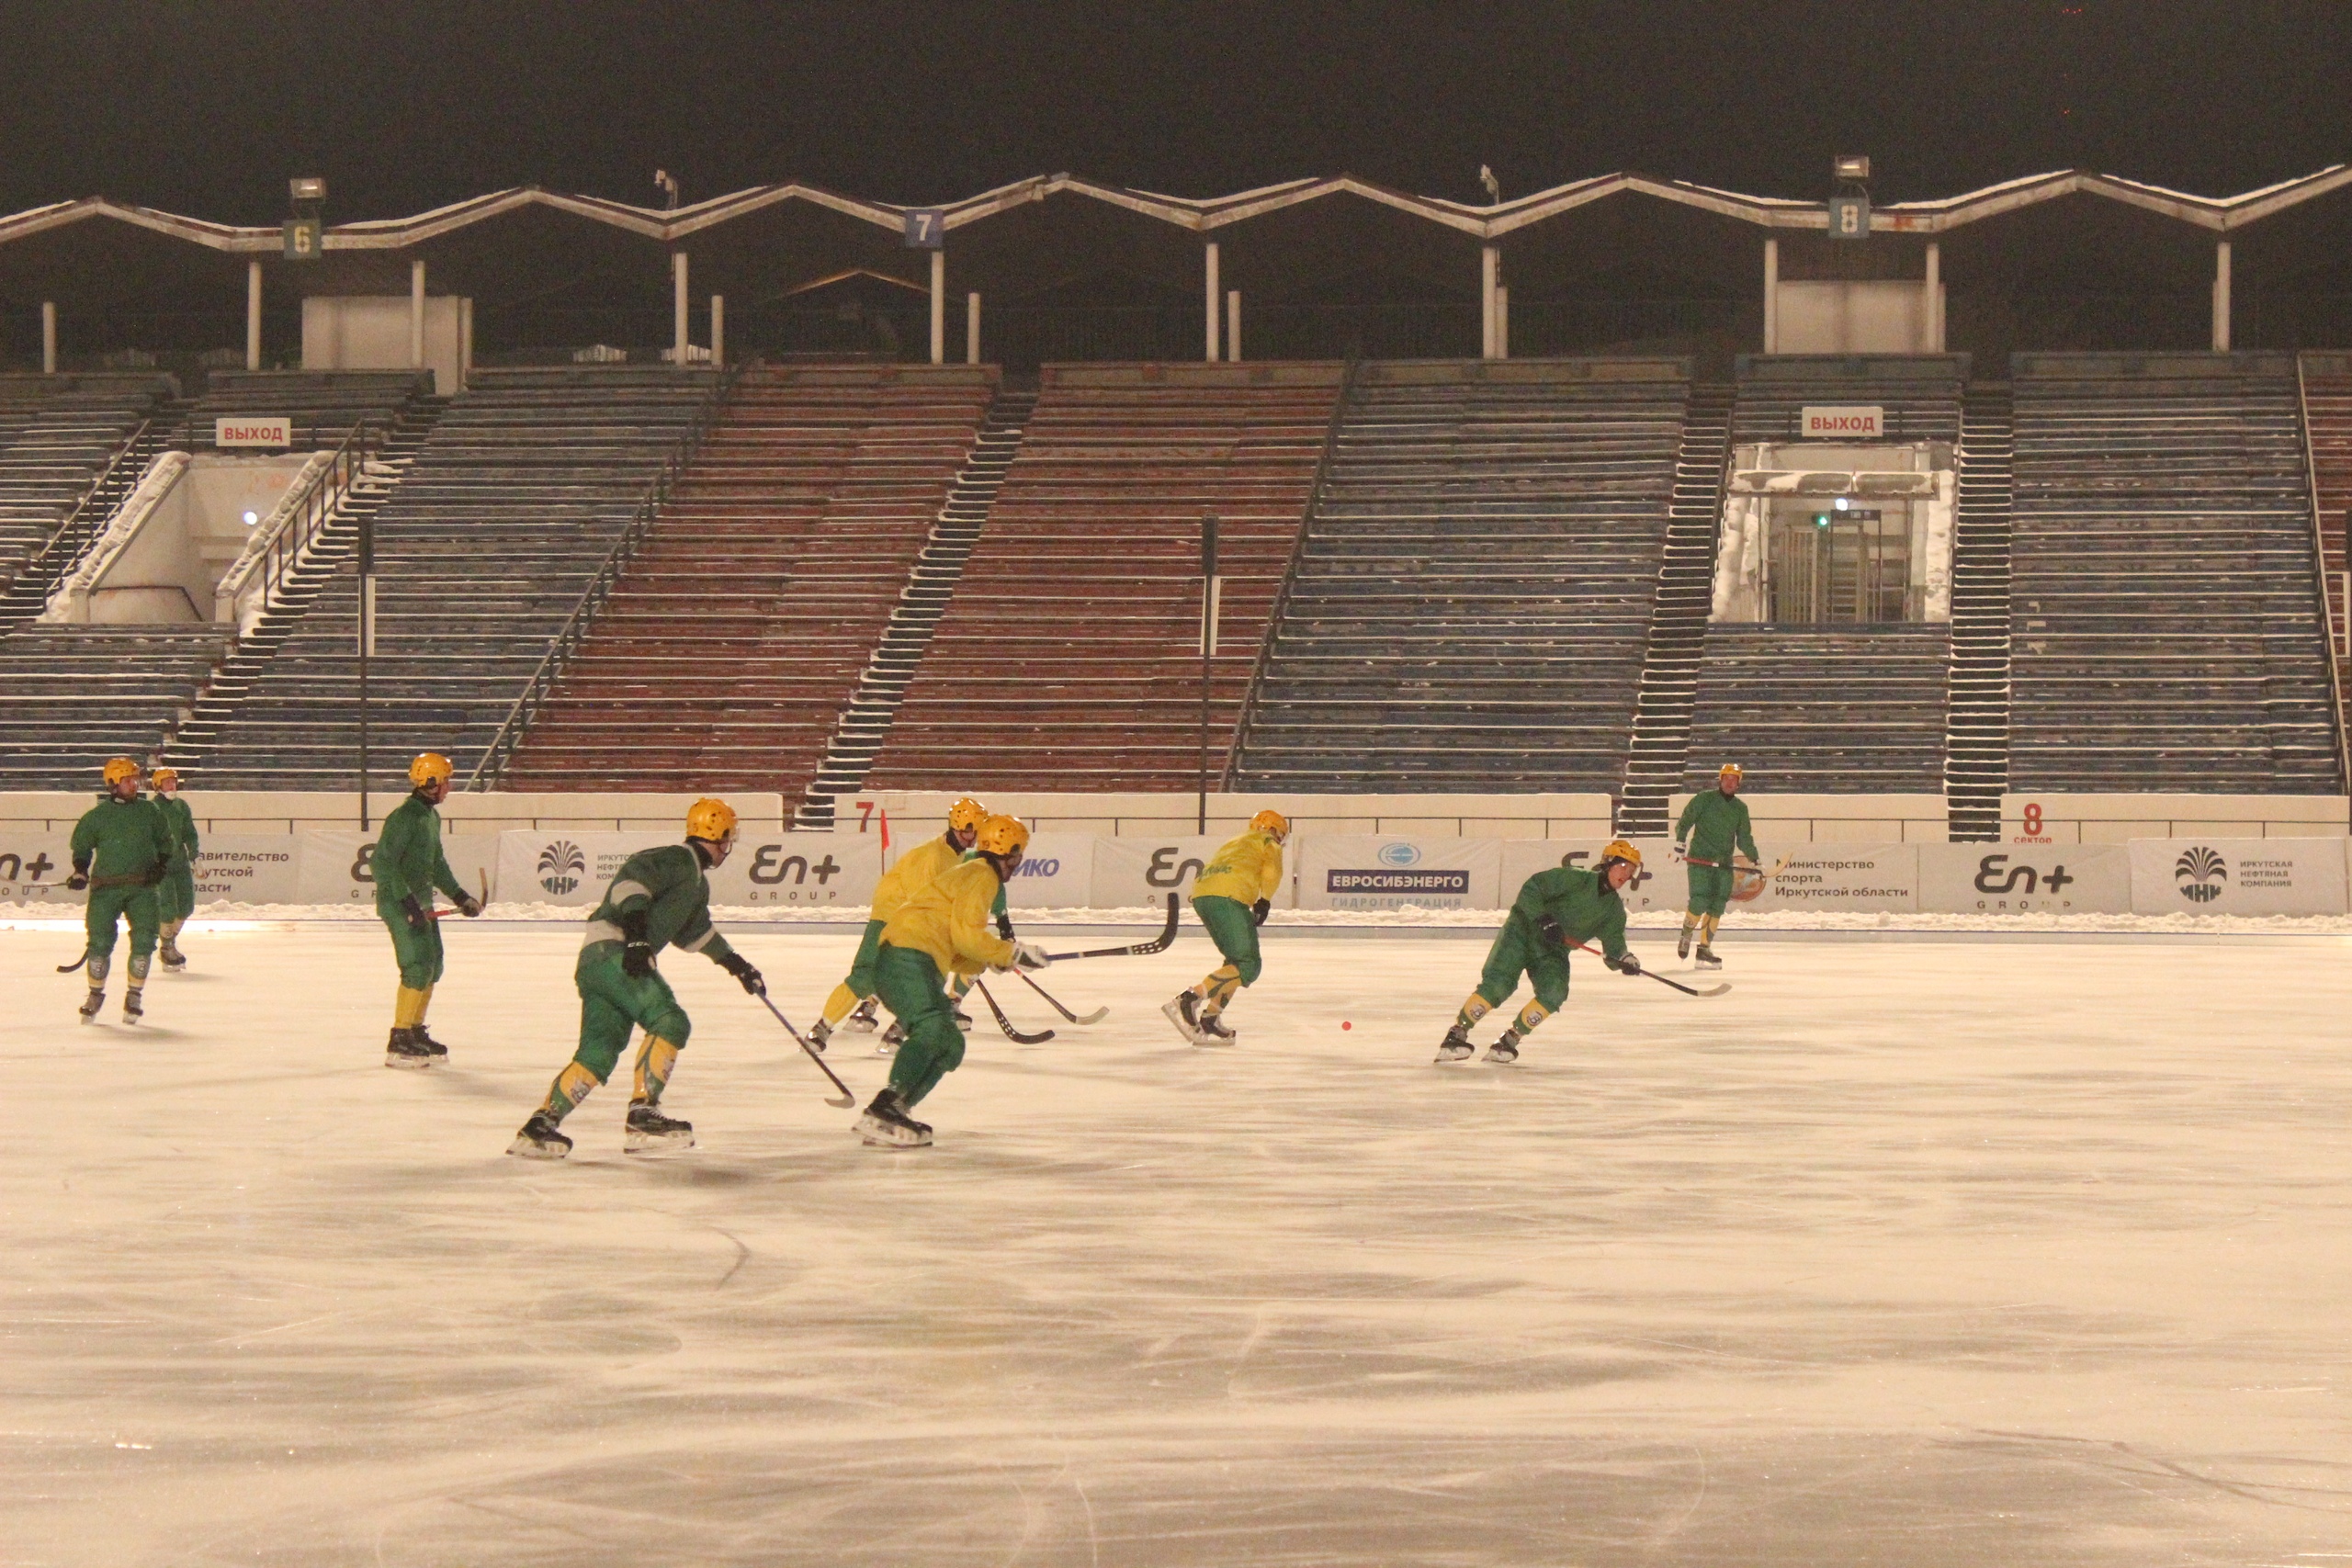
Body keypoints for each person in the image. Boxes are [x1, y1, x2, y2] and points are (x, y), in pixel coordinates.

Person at [510, 797, 766, 1160]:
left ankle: (539, 1127)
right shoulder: (677, 859)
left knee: (598, 1051)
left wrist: (737, 964)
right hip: (615, 954)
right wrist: (637, 938)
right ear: (717, 834)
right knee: (669, 1020)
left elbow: (696, 934)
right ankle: (643, 1115)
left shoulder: (696, 883)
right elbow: (630, 886)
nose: (729, 845)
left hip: (597, 963)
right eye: (728, 837)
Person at [857, 813, 1049, 1148]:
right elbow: (966, 936)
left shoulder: (971, 871)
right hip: (906, 958)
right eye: (1019, 854)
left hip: (910, 959)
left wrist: (990, 958)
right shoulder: (983, 875)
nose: (1020, 861)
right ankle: (884, 1107)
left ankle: (895, 1110)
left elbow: (954, 943)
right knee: (933, 1028)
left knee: (950, 1041)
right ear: (1011, 850)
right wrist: (1010, 952)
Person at [809, 796, 990, 1055]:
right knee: (867, 977)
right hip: (891, 916)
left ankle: (896, 1031)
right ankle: (820, 1031)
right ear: (959, 827)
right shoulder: (933, 857)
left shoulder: (956, 855)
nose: (975, 836)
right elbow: (924, 904)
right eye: (973, 830)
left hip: (909, 917)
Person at [1436, 840, 1645, 1065]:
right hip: (1522, 932)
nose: (1626, 875)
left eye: (1631, 871)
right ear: (1608, 863)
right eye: (1623, 867)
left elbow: (1614, 945)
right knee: (1499, 984)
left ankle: (1509, 1040)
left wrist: (1624, 958)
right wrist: (1544, 919)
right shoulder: (1574, 878)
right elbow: (1532, 888)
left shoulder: (1614, 911)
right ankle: (1457, 1034)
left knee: (1554, 991)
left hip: (1553, 950)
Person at [375, 752, 481, 1067]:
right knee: (416, 966)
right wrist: (407, 903)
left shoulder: (431, 818)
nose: (449, 787)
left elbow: (436, 864)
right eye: (446, 781)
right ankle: (400, 1038)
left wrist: (460, 896)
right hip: (399, 904)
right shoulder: (404, 817)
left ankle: (415, 1031)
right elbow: (381, 862)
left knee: (433, 965)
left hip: (421, 904)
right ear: (430, 782)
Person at [1161, 809, 1288, 1046]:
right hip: (1229, 897)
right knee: (1249, 965)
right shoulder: (1268, 842)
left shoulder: (1235, 841)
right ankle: (1189, 999)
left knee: (1234, 961)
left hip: (1202, 895)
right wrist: (1264, 900)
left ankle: (1211, 1017)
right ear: (1273, 830)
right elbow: (1272, 871)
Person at [66, 758, 171, 1023]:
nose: (133, 784)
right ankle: (95, 994)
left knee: (145, 941)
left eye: (135, 779)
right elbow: (82, 848)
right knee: (99, 942)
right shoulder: (97, 817)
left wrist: (161, 865)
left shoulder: (150, 812)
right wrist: (80, 871)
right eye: (127, 780)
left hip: (143, 889)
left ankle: (134, 995)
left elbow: (165, 844)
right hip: (106, 890)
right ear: (113, 783)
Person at [1676, 761, 1759, 970]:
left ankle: (1704, 948)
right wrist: (1680, 842)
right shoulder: (1704, 799)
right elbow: (1685, 820)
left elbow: (1744, 838)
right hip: (1700, 860)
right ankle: (1686, 933)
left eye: (1734, 780)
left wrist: (1755, 858)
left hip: (1723, 864)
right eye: (1726, 779)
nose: (1730, 783)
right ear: (1720, 780)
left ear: (1738, 784)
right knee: (1700, 899)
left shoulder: (1740, 808)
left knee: (1718, 904)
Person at [148, 767, 198, 971]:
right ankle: (166, 947)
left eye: (174, 782)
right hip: (161, 864)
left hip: (180, 863)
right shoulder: (151, 808)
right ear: (158, 785)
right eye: (168, 782)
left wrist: (195, 856)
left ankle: (170, 942)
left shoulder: (181, 806)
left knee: (186, 906)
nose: (172, 786)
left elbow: (189, 833)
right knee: (167, 907)